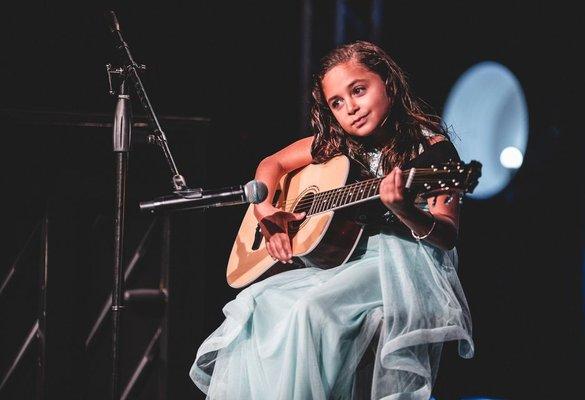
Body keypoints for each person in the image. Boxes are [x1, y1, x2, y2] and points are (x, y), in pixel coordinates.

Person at [190, 41, 474, 400]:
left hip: (402, 261)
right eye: (337, 102)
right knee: (259, 307)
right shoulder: (336, 144)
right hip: (348, 260)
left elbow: (446, 235)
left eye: (358, 90)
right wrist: (265, 211)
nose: (350, 108)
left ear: (387, 82)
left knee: (310, 311)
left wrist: (405, 209)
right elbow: (272, 163)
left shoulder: (431, 151)